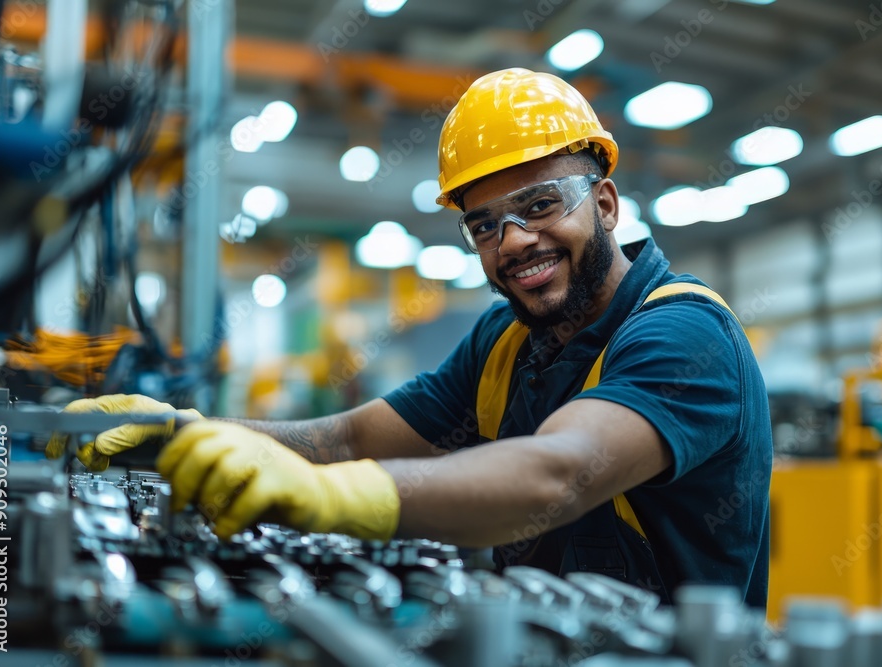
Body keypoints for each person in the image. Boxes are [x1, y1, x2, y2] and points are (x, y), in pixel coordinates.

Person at [47, 68, 772, 607]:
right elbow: (351, 438)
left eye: (541, 204)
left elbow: (561, 473)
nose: (515, 241)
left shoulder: (685, 333)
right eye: (485, 223)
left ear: (606, 205)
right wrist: (184, 433)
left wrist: (333, 497)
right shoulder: (505, 340)